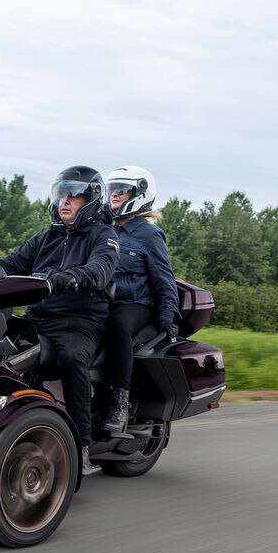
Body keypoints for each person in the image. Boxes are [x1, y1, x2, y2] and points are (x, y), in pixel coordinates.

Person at [0, 165, 119, 474]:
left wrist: (70, 277)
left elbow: (101, 269)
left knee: (72, 358)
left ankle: (80, 446)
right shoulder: (46, 236)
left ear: (90, 200)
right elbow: (9, 264)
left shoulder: (104, 236)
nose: (65, 201)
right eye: (61, 194)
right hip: (38, 317)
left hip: (79, 321)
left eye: (74, 195)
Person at [100, 165, 180, 435]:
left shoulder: (149, 235)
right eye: (111, 190)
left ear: (139, 194)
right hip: (103, 301)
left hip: (136, 304)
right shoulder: (103, 229)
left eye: (121, 191)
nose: (114, 196)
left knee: (118, 324)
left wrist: (168, 315)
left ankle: (119, 401)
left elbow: (164, 279)